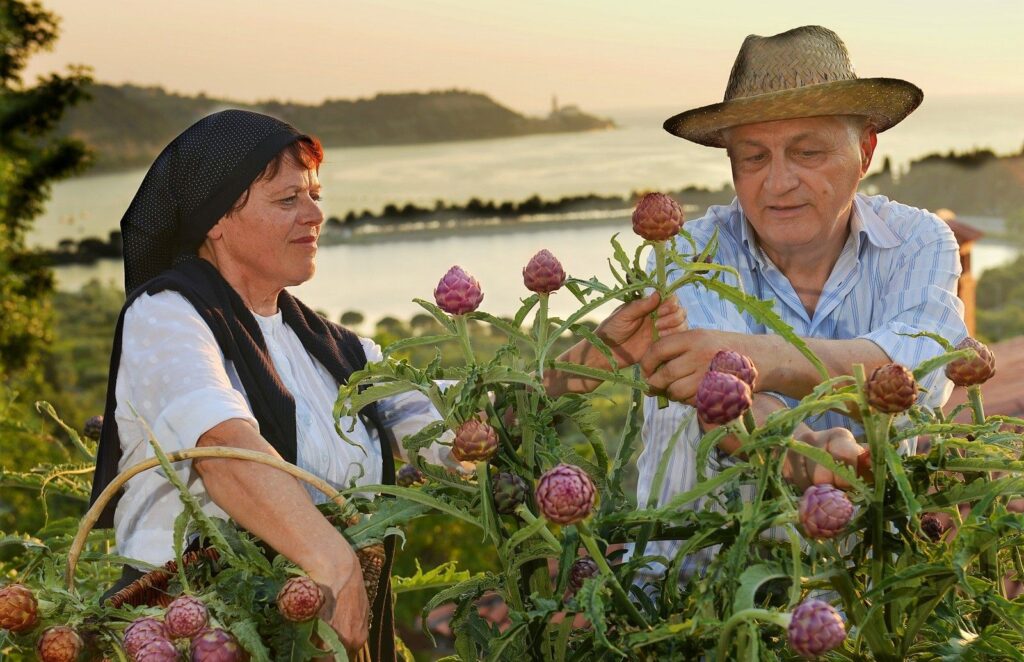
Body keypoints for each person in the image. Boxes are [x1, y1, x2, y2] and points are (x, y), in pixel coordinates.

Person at [88, 110, 683, 659]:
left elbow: (466, 429)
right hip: (196, 638)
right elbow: (223, 451)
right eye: (289, 198)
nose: (316, 215)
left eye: (315, 195)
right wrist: (333, 558)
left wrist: (593, 357)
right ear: (216, 219)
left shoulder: (337, 350)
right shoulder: (167, 314)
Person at [633, 26, 968, 579]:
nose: (778, 182)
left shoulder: (920, 242)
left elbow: (915, 378)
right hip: (694, 592)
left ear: (864, 152)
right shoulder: (686, 252)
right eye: (754, 157)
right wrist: (804, 445)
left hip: (867, 594)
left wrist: (764, 358)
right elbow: (718, 399)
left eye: (808, 151)